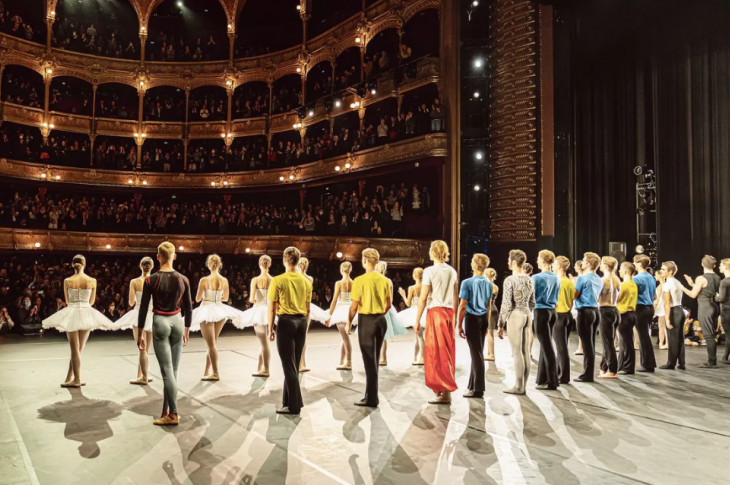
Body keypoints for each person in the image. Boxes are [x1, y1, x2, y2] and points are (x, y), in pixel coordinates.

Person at [137, 242, 193, 426]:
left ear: (158, 256)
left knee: (167, 372)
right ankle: (166, 412)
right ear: (174, 256)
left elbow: (144, 308)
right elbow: (189, 308)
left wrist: (140, 333)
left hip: (160, 321)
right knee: (173, 372)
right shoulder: (183, 279)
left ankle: (174, 414)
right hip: (177, 321)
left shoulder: (150, 280)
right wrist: (186, 329)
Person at [42, 254, 113, 388]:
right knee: (79, 349)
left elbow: (67, 301)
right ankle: (71, 376)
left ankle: (76, 379)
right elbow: (91, 302)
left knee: (75, 349)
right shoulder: (91, 280)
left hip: (73, 312)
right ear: (84, 264)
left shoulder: (68, 280)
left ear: (72, 264)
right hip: (86, 312)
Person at [268, 247, 312, 415]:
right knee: (293, 363)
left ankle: (295, 404)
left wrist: (270, 327)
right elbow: (308, 310)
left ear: (285, 260)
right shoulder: (306, 282)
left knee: (289, 366)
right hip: (301, 322)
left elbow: (271, 308)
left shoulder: (278, 280)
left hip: (286, 322)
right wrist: (305, 327)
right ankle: (287, 402)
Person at [416, 240, 459, 404]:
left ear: (432, 252)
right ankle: (441, 389)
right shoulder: (452, 271)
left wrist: (416, 319)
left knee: (436, 352)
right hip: (448, 312)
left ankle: (445, 390)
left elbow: (423, 297)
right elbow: (455, 296)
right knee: (446, 351)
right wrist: (453, 317)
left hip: (436, 312)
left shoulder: (429, 271)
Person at [190, 254, 245, 381]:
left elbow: (197, 298)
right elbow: (225, 298)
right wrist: (216, 297)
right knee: (212, 344)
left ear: (209, 264)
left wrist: (206, 296)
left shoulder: (204, 280)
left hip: (207, 310)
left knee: (211, 345)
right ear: (220, 265)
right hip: (219, 310)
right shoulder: (224, 280)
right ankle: (207, 370)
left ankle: (215, 372)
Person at [349, 248, 391, 407]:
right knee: (374, 359)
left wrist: (348, 322)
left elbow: (353, 307)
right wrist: (380, 313)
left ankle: (372, 398)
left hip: (366, 320)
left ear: (365, 260)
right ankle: (370, 395)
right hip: (380, 320)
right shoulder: (385, 281)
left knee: (369, 361)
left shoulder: (359, 280)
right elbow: (389, 304)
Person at [109, 256, 155, 385]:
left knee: (141, 348)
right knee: (147, 349)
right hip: (152, 314)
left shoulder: (135, 282)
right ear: (151, 267)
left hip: (139, 313)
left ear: (140, 266)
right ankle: (141, 375)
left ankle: (144, 377)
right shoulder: (156, 280)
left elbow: (131, 301)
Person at [498, 249, 535, 395]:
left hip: (516, 315)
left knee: (516, 352)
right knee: (525, 351)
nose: (508, 262)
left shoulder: (510, 280)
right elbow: (533, 302)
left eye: (509, 260)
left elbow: (506, 303)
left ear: (514, 262)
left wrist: (501, 323)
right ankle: (523, 386)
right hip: (527, 314)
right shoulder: (529, 279)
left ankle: (518, 386)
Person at [457, 253, 493, 398]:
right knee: (477, 352)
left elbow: (462, 305)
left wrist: (458, 324)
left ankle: (478, 388)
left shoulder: (467, 283)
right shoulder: (489, 284)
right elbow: (489, 306)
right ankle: (472, 385)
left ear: (474, 264)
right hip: (483, 318)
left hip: (471, 318)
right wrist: (487, 324)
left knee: (476, 354)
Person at [682, 255, 722, 368]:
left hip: (705, 307)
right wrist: (692, 284)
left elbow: (693, 294)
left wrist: (681, 287)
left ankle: (712, 361)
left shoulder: (701, 278)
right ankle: (712, 360)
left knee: (708, 335)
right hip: (714, 306)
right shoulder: (717, 277)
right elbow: (705, 290)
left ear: (702, 264)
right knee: (711, 333)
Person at [240, 255, 273, 377]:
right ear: (269, 265)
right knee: (263, 342)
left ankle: (266, 369)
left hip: (259, 311)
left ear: (260, 264)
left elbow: (252, 299)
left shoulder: (255, 280)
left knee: (264, 343)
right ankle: (260, 367)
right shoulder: (273, 280)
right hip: (269, 311)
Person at [532, 250, 561, 390]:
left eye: (538, 258)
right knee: (546, 345)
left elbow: (532, 297)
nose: (537, 260)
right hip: (552, 311)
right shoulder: (556, 277)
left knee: (547, 346)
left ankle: (552, 381)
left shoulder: (536, 278)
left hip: (541, 311)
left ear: (543, 261)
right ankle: (542, 378)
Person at [296, 257, 331, 372]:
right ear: (306, 266)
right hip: (306, 306)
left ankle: (299, 363)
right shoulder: (309, 278)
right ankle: (302, 362)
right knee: (303, 336)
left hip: (297, 305)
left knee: (297, 337)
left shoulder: (295, 277)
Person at [573, 252, 603, 382]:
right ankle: (588, 372)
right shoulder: (599, 279)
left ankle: (587, 374)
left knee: (586, 344)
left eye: (584, 260)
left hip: (585, 311)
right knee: (591, 343)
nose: (582, 262)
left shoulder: (582, 278)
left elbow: (574, 295)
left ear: (589, 264)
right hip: (595, 311)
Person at [375, 261, 408, 366]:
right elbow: (391, 298)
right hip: (386, 307)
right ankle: (383, 358)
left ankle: (377, 357)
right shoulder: (388, 280)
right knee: (383, 336)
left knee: (376, 335)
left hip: (377, 308)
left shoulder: (375, 280)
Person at [327, 261, 356, 370]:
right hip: (350, 310)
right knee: (344, 338)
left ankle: (348, 362)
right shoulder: (353, 282)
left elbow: (334, 301)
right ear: (350, 270)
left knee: (345, 338)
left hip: (341, 310)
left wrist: (329, 315)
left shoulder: (339, 283)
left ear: (341, 270)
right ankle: (342, 361)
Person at [659, 261, 686, 371]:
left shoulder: (667, 285)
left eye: (664, 269)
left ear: (670, 271)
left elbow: (667, 303)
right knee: (680, 338)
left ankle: (671, 363)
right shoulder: (677, 282)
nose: (661, 271)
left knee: (673, 338)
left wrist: (667, 319)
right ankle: (681, 362)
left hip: (674, 311)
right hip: (680, 310)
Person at [396, 267, 427, 365]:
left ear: (414, 276)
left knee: (420, 336)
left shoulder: (412, 288)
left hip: (416, 312)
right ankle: (415, 357)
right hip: (425, 311)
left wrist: (403, 295)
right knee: (418, 336)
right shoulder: (426, 287)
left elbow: (408, 304)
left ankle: (422, 358)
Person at [632, 255, 657, 372]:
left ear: (639, 264)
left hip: (640, 308)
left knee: (643, 336)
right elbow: (655, 295)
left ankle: (647, 364)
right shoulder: (651, 277)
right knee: (645, 335)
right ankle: (648, 362)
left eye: (635, 262)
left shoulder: (636, 279)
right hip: (650, 307)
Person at [598, 256, 621, 379]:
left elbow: (597, 297)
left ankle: (612, 370)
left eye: (602, 263)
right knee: (608, 341)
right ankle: (604, 367)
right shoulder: (617, 279)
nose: (600, 265)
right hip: (615, 310)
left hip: (604, 310)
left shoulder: (602, 280)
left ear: (606, 266)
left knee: (607, 342)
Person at [552, 256, 575, 384]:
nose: (553, 267)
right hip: (567, 315)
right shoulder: (569, 282)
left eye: (555, 264)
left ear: (559, 266)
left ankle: (562, 376)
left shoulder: (558, 281)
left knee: (561, 348)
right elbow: (571, 301)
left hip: (559, 316)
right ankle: (561, 372)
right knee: (563, 347)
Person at [617, 262, 638, 374]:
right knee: (625, 342)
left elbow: (617, 298)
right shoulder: (633, 284)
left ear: (625, 271)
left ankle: (627, 367)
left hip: (624, 314)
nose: (619, 271)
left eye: (620, 269)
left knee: (625, 342)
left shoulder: (624, 285)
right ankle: (622, 365)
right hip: (631, 314)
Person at [715, 258, 730, 365]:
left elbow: (721, 298)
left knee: (729, 334)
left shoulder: (724, 282)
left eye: (721, 265)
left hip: (726, 310)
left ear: (726, 266)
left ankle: (725, 357)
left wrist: (715, 296)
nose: (719, 267)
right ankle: (725, 357)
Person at [484, 268, 500, 362]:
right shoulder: (495, 286)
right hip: (495, 308)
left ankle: (492, 354)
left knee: (489, 333)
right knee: (491, 333)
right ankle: (490, 352)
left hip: (489, 309)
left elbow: (487, 301)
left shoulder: (487, 286)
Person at [654, 271, 668, 350]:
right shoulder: (663, 285)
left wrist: (654, 307)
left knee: (663, 326)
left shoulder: (661, 286)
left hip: (662, 307)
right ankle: (662, 343)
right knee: (662, 326)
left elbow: (658, 299)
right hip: (662, 307)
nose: (654, 276)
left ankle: (665, 343)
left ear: (660, 275)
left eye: (656, 275)